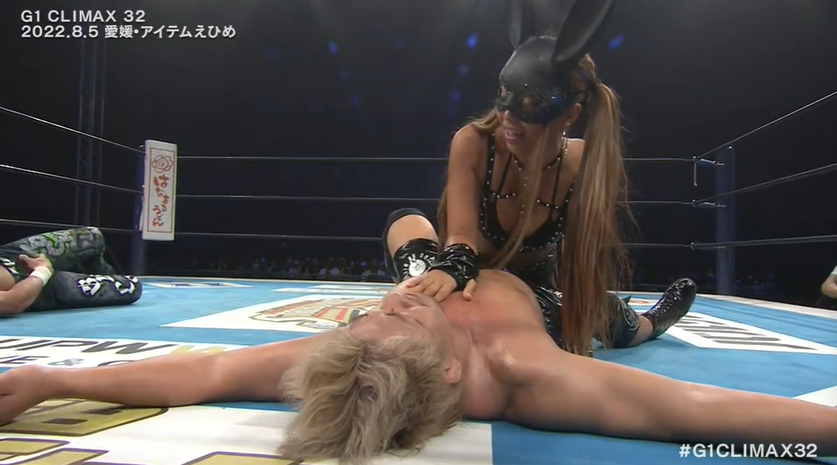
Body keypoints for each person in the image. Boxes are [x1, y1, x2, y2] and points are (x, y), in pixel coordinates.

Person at [0, 268, 832, 464]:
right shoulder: (524, 373)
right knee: (620, 324)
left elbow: (203, 374)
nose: (387, 306)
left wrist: (48, 378)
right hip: (545, 296)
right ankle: (646, 319)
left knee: (410, 236)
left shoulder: (356, 350)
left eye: (372, 313)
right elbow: (691, 411)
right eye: (399, 317)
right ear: (447, 375)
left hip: (462, 254)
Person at [384, 0, 695, 355]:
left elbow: (580, 266)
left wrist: (575, 322)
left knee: (599, 317)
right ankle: (432, 299)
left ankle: (650, 322)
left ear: (569, 116)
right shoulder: (473, 143)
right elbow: (461, 236)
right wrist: (450, 270)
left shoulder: (580, 163)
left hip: (531, 289)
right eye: (505, 98)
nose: (508, 118)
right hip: (471, 271)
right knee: (407, 227)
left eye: (530, 108)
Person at [0, 227, 142, 316]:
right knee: (130, 285)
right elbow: (13, 302)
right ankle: (91, 280)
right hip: (34, 288)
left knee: (92, 235)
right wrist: (42, 271)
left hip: (11, 257)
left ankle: (100, 274)